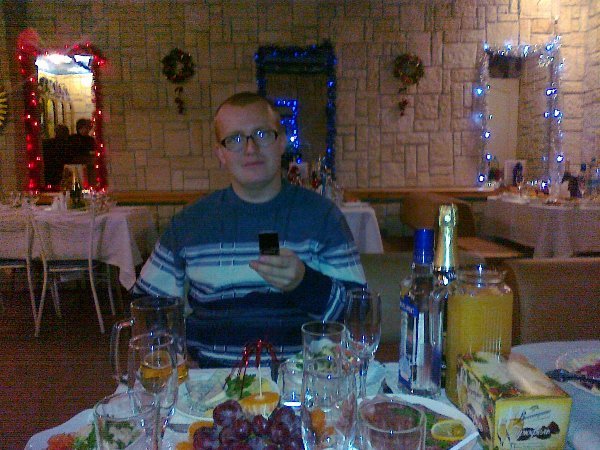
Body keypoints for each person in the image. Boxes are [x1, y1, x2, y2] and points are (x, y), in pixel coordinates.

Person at [134, 92, 366, 367]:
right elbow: (147, 305)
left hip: (302, 380)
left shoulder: (323, 216)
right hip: (211, 384)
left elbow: (359, 316)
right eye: (235, 139)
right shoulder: (190, 222)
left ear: (281, 142)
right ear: (220, 154)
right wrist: (177, 356)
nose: (250, 148)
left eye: (262, 134)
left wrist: (304, 283)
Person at [67, 118, 96, 185]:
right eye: (85, 128)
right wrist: (88, 153)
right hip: (77, 163)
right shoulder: (73, 138)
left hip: (86, 162)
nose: (87, 130)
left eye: (88, 128)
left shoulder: (90, 139)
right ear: (80, 128)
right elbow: (74, 151)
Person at [42, 124, 70, 188]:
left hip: (47, 171)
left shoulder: (46, 143)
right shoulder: (67, 145)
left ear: (55, 133)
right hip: (59, 172)